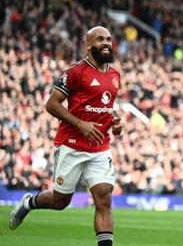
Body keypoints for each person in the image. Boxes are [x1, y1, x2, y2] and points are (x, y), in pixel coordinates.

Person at [9, 26, 123, 246]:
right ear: (88, 46)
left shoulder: (114, 75)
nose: (106, 43)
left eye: (108, 39)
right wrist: (80, 124)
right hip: (72, 145)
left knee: (104, 199)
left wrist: (115, 122)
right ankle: (29, 202)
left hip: (100, 147)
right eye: (100, 39)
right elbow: (51, 104)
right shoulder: (75, 72)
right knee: (60, 201)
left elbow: (105, 107)